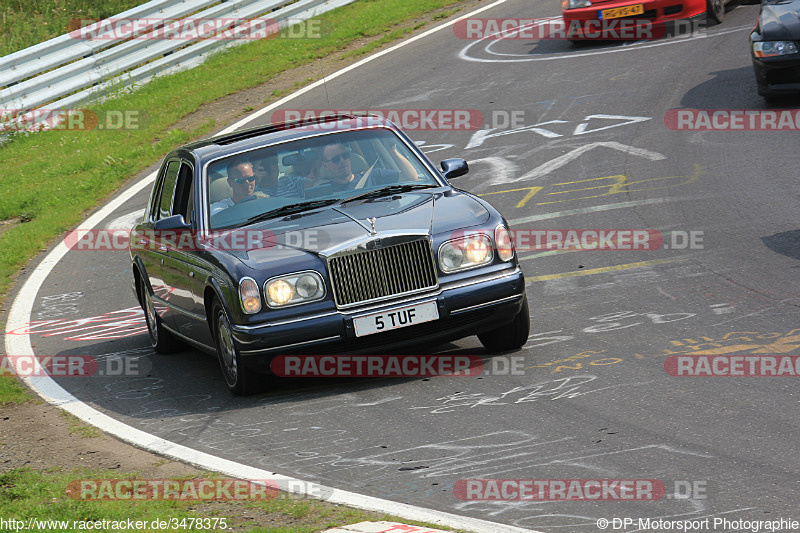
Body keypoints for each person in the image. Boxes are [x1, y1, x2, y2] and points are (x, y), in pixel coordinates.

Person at [321, 142, 417, 192]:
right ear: (326, 166)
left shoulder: (374, 176)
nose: (342, 161)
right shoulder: (322, 191)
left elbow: (411, 177)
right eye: (335, 159)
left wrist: (394, 153)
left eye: (345, 156)